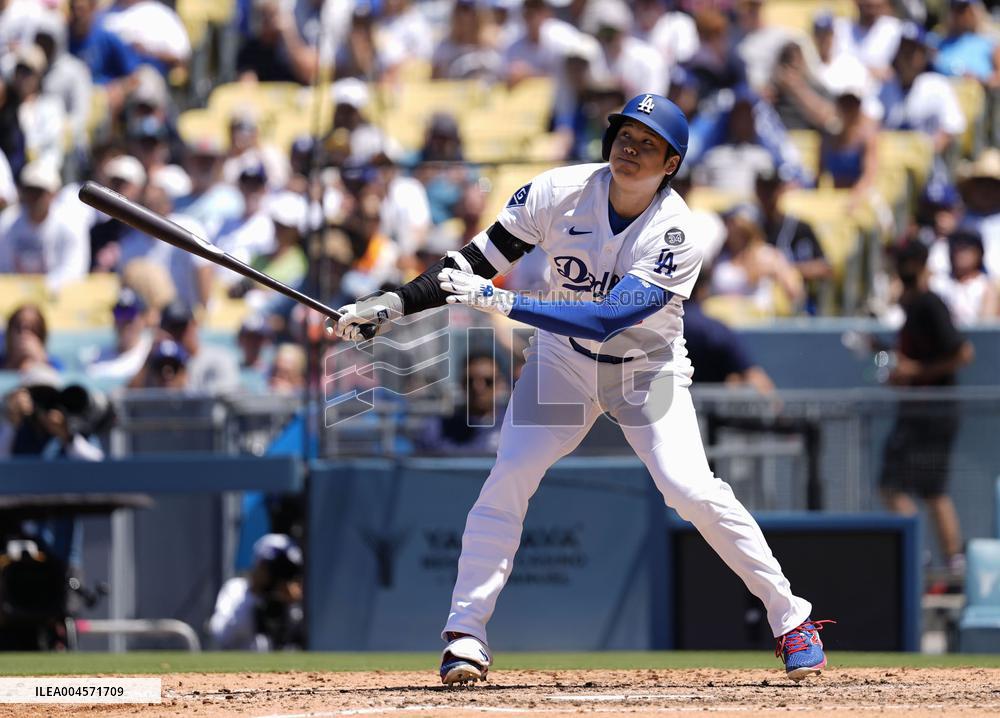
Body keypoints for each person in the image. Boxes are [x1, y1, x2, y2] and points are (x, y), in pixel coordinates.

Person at [334, 93, 832, 683]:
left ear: (671, 164)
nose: (631, 148)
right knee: (510, 476)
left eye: (649, 144)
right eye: (626, 135)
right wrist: (390, 304)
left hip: (645, 369)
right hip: (562, 365)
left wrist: (504, 300)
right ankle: (465, 634)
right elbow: (470, 262)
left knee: (689, 489)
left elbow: (605, 319)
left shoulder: (676, 232)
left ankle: (789, 615)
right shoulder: (557, 191)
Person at [880, 240, 974, 576]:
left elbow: (963, 353)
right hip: (916, 412)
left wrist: (916, 372)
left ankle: (953, 564)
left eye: (908, 260)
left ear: (921, 263)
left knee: (933, 491)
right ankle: (920, 555)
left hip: (935, 413)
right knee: (891, 486)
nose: (902, 267)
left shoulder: (930, 303)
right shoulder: (909, 306)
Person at [0, 160, 89, 292]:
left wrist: (44, 287)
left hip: (57, 297)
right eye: (30, 190)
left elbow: (75, 269)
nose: (34, 197)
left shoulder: (70, 223)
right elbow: (4, 266)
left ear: (54, 194)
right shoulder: (8, 221)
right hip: (16, 296)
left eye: (40, 192)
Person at [208, 533, 304, 650]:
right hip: (238, 665)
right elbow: (221, 634)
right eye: (276, 570)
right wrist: (254, 595)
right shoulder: (236, 589)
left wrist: (292, 605)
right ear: (260, 565)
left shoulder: (290, 601)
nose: (280, 579)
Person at [416, 348, 510, 455]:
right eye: (470, 381)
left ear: (500, 384)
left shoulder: (515, 430)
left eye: (488, 381)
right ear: (461, 383)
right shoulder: (437, 430)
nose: (478, 387)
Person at [85, 288, 154, 382]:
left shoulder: (151, 351)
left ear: (143, 319)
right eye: (119, 313)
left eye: (130, 314)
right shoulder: (95, 355)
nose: (124, 320)